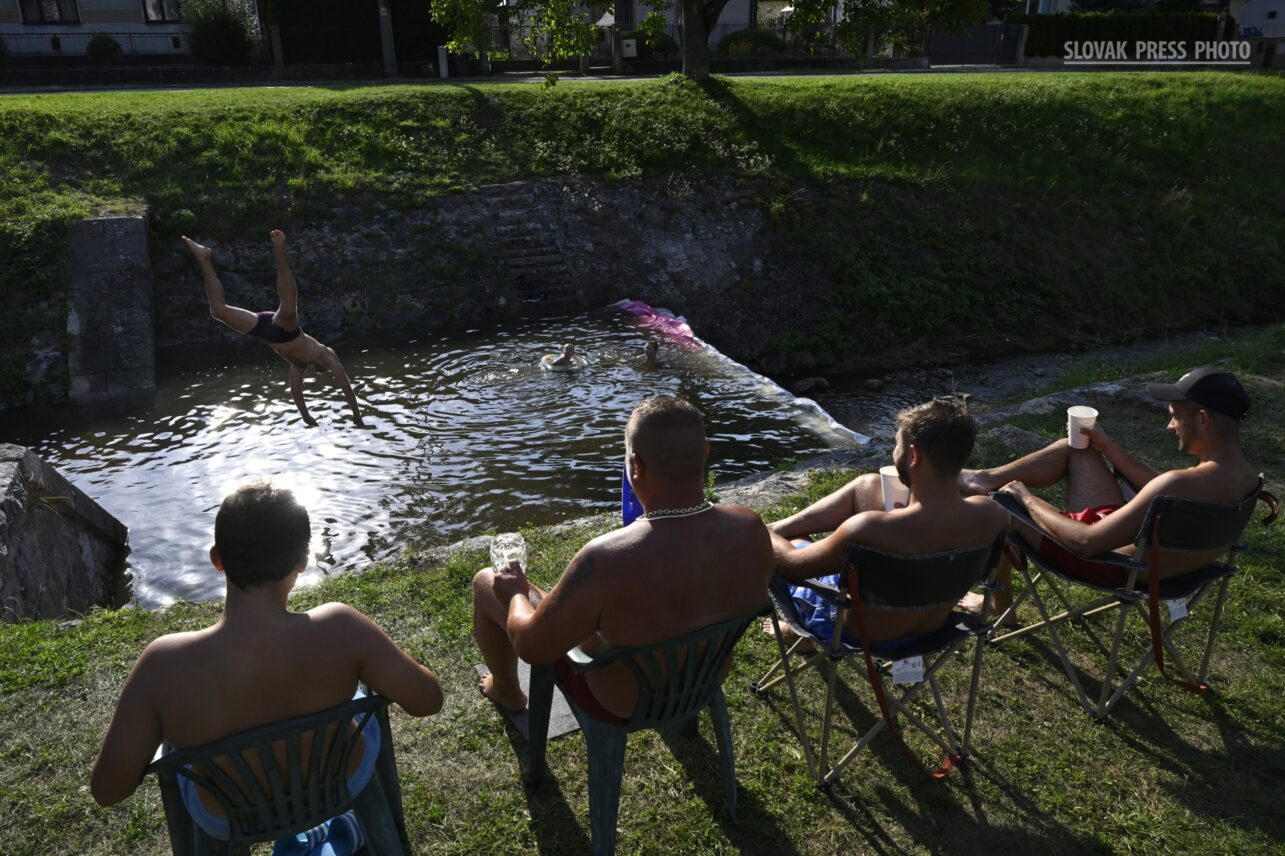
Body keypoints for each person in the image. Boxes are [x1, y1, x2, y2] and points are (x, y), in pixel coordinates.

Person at [91, 482, 442, 852]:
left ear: (217, 559)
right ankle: (344, 827)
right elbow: (428, 700)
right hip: (339, 780)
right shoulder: (342, 628)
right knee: (360, 694)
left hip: (227, 813)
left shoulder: (163, 666)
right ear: (302, 560)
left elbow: (108, 790)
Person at [472, 395, 773, 720]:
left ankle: (506, 689)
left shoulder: (606, 558)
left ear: (636, 467)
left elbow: (531, 647)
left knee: (487, 581)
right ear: (705, 452)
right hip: (703, 682)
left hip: (622, 702)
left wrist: (516, 593)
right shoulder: (750, 527)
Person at [958, 367, 1261, 618]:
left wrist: (1025, 499)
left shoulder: (1176, 485)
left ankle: (1000, 607)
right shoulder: (1246, 480)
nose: (1170, 426)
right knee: (1076, 448)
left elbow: (1086, 543)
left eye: (1175, 416)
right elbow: (1163, 488)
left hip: (1110, 564)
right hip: (1157, 559)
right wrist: (1107, 447)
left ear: (1203, 419)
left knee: (998, 505)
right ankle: (983, 478)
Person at [767, 397, 1009, 646]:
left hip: (852, 631)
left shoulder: (868, 529)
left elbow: (793, 568)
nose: (894, 452)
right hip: (931, 627)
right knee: (868, 484)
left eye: (897, 445)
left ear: (913, 455)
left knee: (795, 541)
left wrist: (764, 532)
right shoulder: (993, 516)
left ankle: (799, 633)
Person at [182, 232, 365, 428]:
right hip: (287, 331)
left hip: (264, 329)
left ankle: (204, 257)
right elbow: (345, 386)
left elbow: (296, 391)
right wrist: (357, 416)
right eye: (324, 370)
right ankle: (279, 251)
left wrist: (306, 417)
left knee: (218, 311)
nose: (322, 371)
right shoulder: (326, 355)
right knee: (288, 306)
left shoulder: (298, 365)